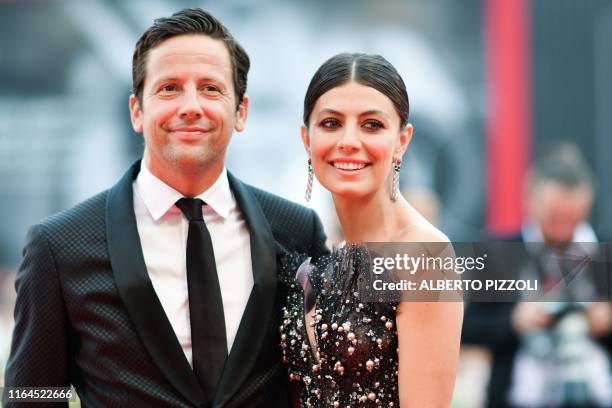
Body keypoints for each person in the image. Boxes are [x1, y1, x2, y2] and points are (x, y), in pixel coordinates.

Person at [3, 8, 328, 408]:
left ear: (241, 111)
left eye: (210, 88)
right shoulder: (59, 245)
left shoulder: (296, 230)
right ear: (137, 111)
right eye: (169, 88)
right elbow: (30, 395)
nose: (191, 106)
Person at [279, 53, 464, 406]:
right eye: (331, 123)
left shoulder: (424, 255)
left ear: (402, 140)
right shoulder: (317, 258)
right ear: (306, 138)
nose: (349, 140)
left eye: (372, 125)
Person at [462, 144, 612, 407]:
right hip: (517, 396)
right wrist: (513, 320)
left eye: (573, 218)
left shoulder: (605, 249)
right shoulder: (499, 253)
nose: (563, 229)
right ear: (530, 201)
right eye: (554, 217)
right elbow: (467, 328)